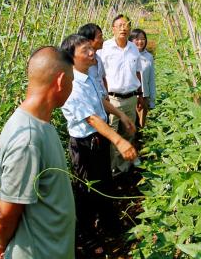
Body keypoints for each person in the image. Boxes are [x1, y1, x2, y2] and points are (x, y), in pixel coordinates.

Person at [0, 46, 76, 259]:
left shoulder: (40, 125)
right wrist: (1, 241)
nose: (72, 87)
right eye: (72, 81)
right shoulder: (28, 139)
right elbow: (6, 212)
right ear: (60, 81)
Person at [60, 34, 138, 255]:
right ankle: (85, 236)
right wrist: (119, 140)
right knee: (87, 190)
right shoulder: (73, 85)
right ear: (72, 57)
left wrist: (121, 116)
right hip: (84, 145)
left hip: (99, 139)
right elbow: (91, 118)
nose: (92, 52)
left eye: (90, 48)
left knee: (104, 184)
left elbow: (102, 101)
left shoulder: (89, 75)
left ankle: (110, 225)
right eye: (85, 50)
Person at [99, 15, 144, 175]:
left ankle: (125, 165)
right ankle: (113, 167)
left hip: (131, 97)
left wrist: (140, 94)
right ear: (113, 29)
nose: (123, 28)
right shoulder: (105, 48)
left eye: (126, 25)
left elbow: (137, 72)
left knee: (129, 130)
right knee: (112, 134)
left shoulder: (133, 48)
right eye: (120, 25)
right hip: (113, 99)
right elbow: (100, 74)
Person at [129, 28, 156, 128]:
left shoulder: (149, 57)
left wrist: (152, 100)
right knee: (129, 126)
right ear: (131, 40)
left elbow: (151, 79)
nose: (140, 41)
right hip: (130, 97)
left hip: (144, 96)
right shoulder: (127, 55)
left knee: (141, 126)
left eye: (143, 39)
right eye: (137, 39)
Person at [77, 23, 107, 98]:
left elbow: (102, 78)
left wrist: (107, 95)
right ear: (89, 41)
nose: (102, 40)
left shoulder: (98, 59)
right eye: (100, 37)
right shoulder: (82, 65)